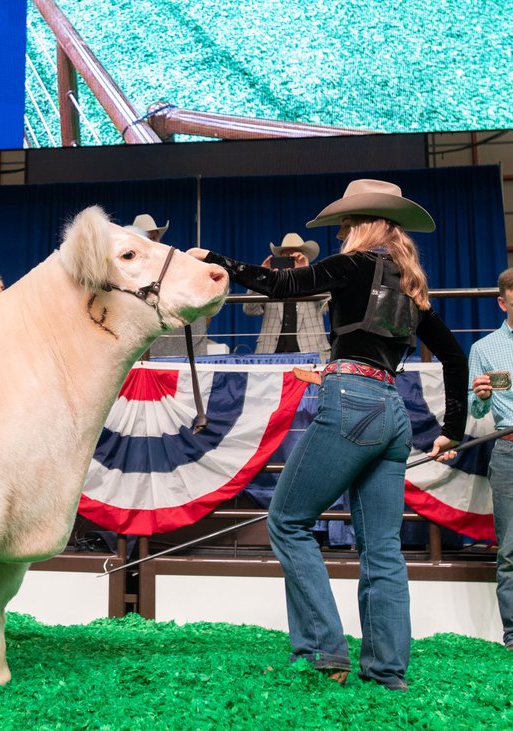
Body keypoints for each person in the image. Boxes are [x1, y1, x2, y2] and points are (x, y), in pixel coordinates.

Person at [189, 179, 468, 690]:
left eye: (344, 224)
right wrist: (451, 429)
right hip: (392, 411)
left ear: (362, 226)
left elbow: (279, 286)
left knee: (287, 521)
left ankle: (323, 649)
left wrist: (215, 258)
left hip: (349, 401)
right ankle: (387, 671)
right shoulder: (411, 287)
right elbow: (453, 355)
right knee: (382, 547)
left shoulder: (353, 266)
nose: (340, 233)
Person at [468, 267, 513, 650]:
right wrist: (480, 396)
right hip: (509, 448)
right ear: (502, 302)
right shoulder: (483, 349)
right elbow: (476, 412)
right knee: (511, 548)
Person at [125, 214, 211, 356]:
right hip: (146, 353)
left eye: (154, 236)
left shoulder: (176, 263)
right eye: (147, 236)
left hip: (181, 350)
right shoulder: (126, 272)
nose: (152, 241)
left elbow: (207, 304)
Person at [242, 233, 331, 361]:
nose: (290, 261)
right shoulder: (271, 283)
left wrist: (306, 274)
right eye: (286, 257)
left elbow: (328, 302)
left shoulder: (314, 280)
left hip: (311, 354)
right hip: (271, 355)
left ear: (303, 258)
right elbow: (249, 309)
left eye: (294, 257)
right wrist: (260, 278)